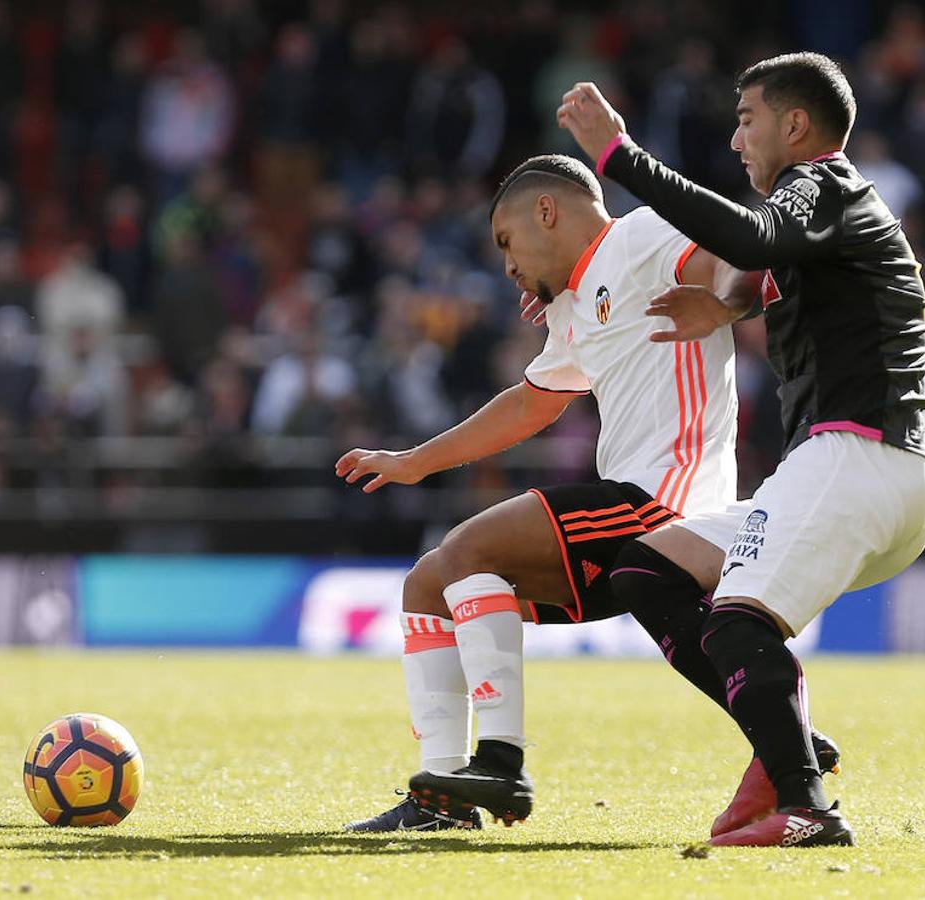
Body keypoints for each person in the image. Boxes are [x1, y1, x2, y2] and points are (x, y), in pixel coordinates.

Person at [336, 154, 840, 832]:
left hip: (666, 503)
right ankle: (443, 801)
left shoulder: (642, 237)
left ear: (547, 213)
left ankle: (501, 763)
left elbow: (730, 259)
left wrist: (723, 302)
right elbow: (531, 405)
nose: (508, 266)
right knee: (429, 585)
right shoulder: (574, 304)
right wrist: (417, 462)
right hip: (625, 510)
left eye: (507, 243)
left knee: (465, 550)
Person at [558, 52, 925, 846]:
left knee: (735, 623)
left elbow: (754, 237)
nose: (736, 139)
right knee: (644, 568)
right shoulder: (829, 215)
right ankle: (783, 743)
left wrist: (617, 158)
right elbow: (769, 268)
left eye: (746, 118)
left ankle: (807, 807)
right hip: (860, 472)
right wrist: (728, 304)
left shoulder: (823, 183)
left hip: (859, 459)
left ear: (795, 126)